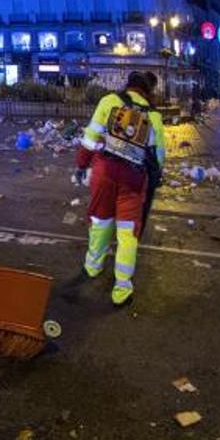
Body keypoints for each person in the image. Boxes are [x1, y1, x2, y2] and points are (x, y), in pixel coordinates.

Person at [74, 71, 165, 307]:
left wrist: (82, 164)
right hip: (133, 182)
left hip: (104, 173)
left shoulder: (109, 101)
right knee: (127, 233)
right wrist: (153, 181)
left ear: (129, 85)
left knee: (100, 222)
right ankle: (122, 289)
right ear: (148, 91)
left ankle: (93, 267)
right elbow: (159, 158)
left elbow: (89, 138)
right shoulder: (153, 116)